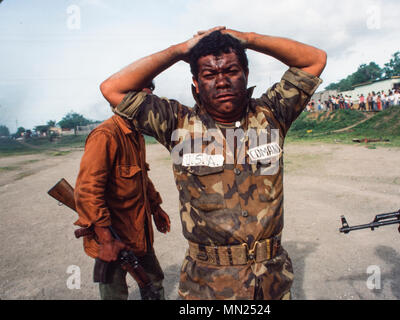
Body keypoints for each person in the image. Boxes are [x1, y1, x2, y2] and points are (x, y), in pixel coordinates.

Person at [99, 26, 326, 300]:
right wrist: (180, 50)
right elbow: (112, 88)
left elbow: (314, 59)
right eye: (209, 75)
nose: (222, 82)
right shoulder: (177, 124)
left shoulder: (272, 115)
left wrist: (248, 40)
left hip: (271, 284)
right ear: (196, 82)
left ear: (245, 74)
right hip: (206, 287)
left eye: (231, 71)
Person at [74, 81, 171, 300]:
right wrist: (107, 240)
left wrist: (156, 208)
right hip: (111, 235)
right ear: (128, 101)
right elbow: (87, 191)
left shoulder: (136, 134)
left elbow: (142, 178)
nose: (149, 110)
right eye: (144, 103)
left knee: (154, 283)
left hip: (138, 232)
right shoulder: (105, 136)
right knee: (114, 294)